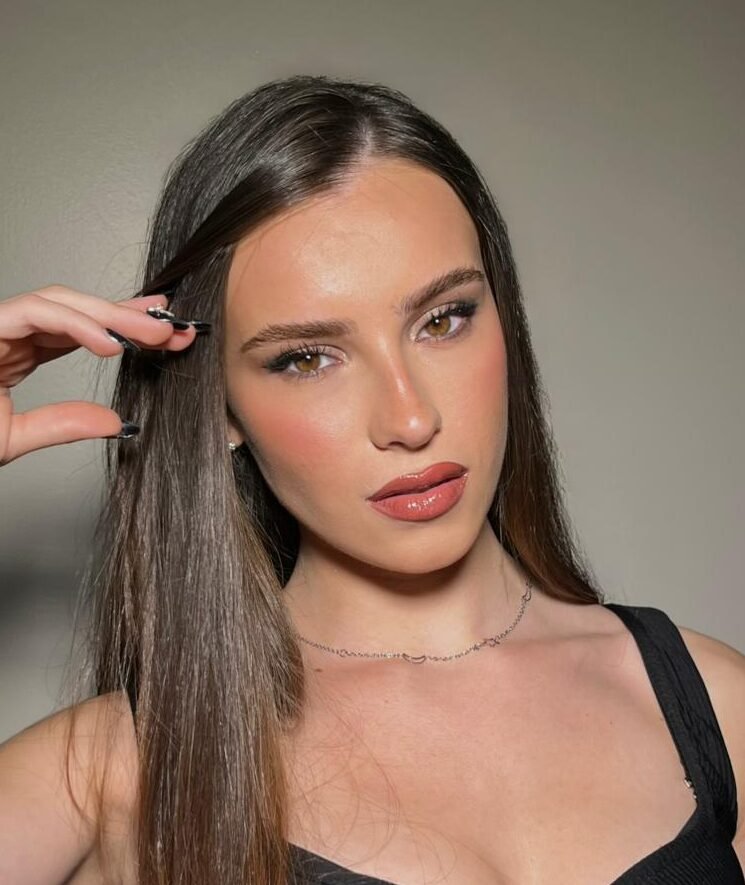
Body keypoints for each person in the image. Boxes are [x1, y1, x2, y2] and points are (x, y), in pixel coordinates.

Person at [0, 73, 742, 885]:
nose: (410, 418)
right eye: (306, 358)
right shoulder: (114, 773)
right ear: (219, 407)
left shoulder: (716, 703)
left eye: (443, 319)